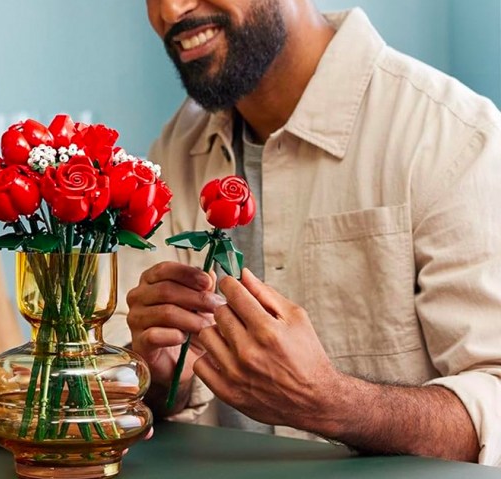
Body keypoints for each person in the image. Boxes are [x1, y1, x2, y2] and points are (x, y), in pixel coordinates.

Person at [107, 0, 501, 465]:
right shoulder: (176, 147)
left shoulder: (454, 137)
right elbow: (135, 391)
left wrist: (332, 402)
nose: (170, 11)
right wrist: (160, 378)